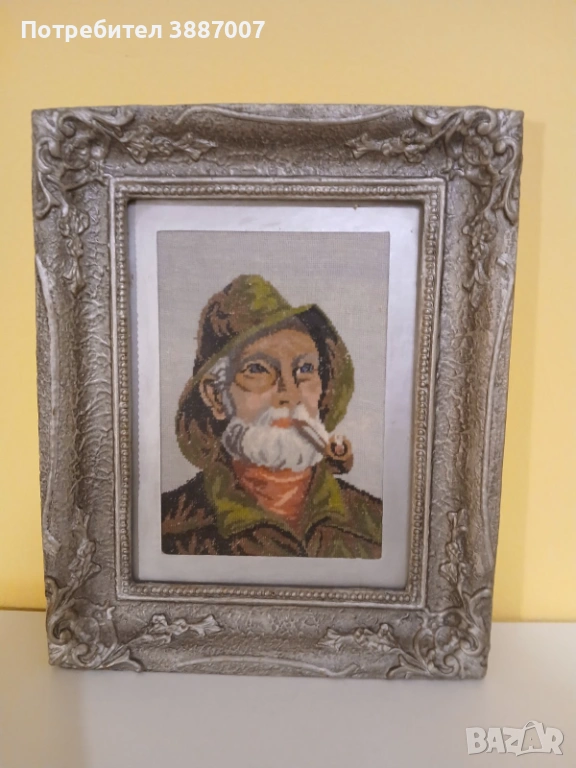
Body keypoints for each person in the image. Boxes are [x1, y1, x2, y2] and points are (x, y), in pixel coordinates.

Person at [161, 274, 382, 558]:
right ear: (216, 396)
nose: (289, 394)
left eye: (305, 369)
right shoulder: (170, 532)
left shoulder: (376, 525)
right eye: (257, 369)